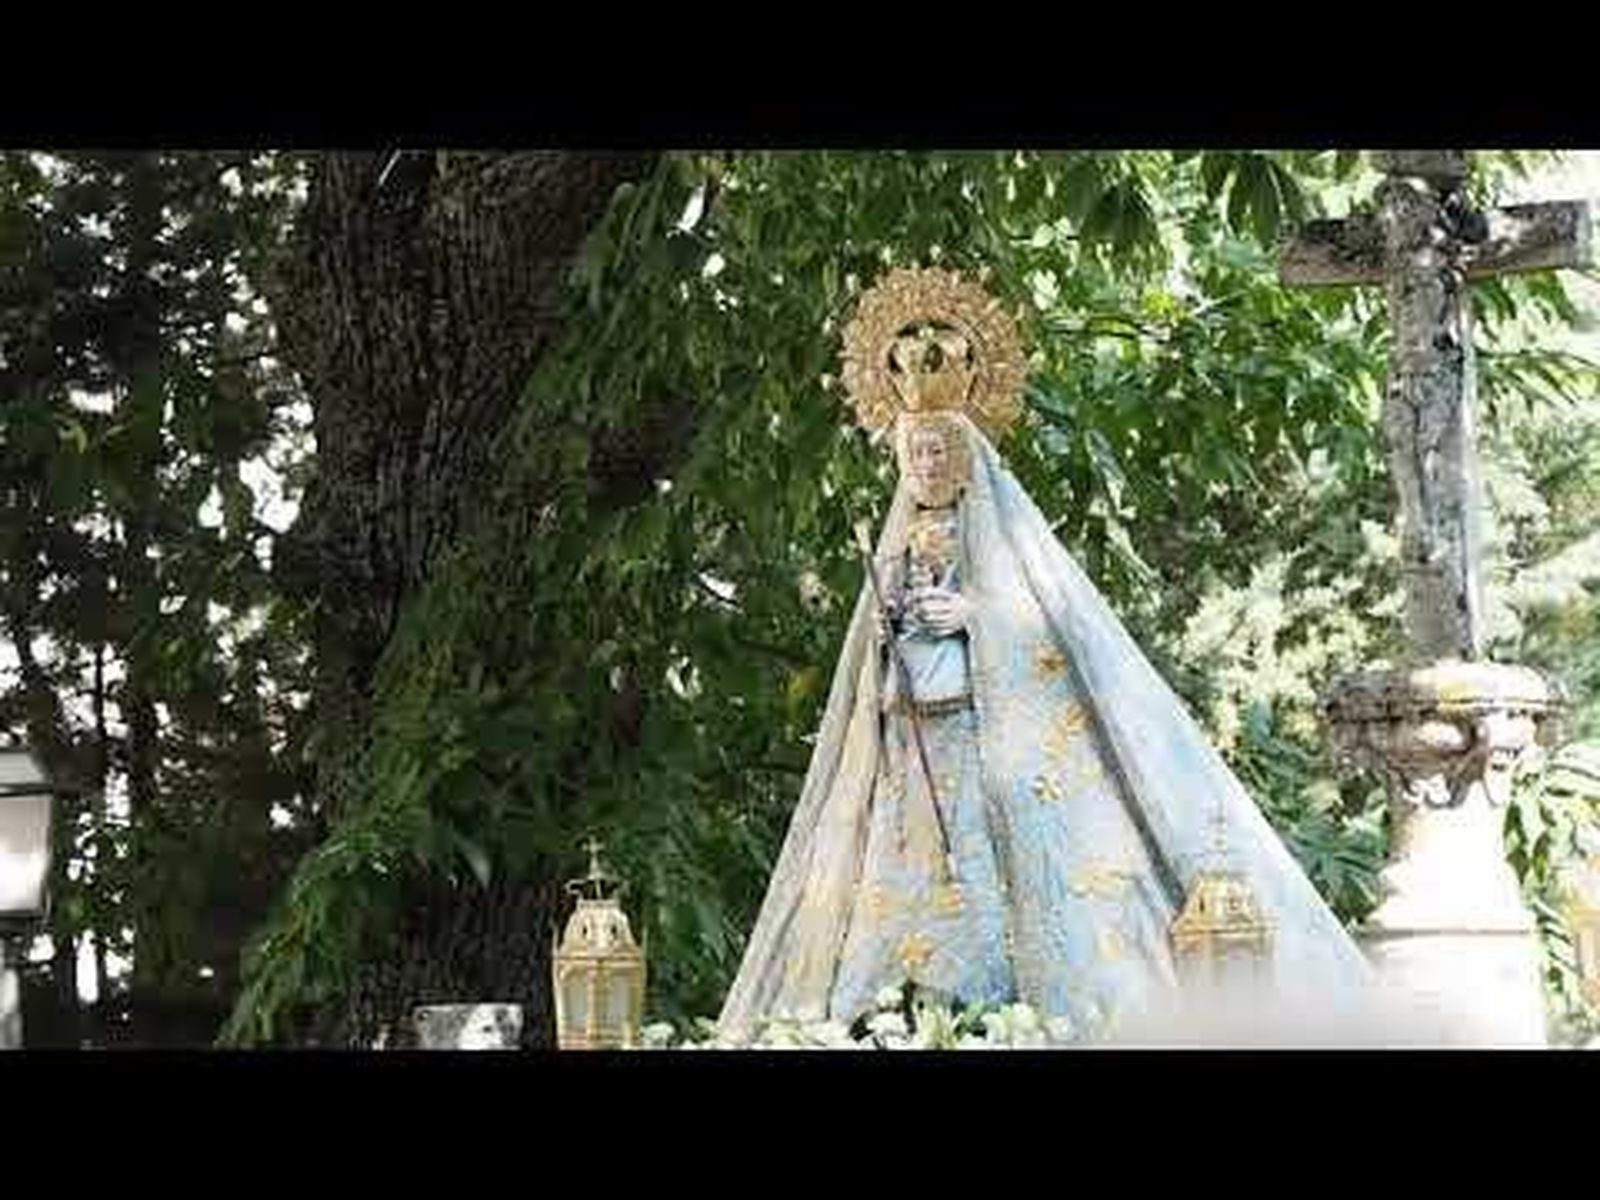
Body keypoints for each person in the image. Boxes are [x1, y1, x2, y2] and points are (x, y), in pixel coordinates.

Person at [716, 268, 1373, 1044]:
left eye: (938, 451)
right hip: (907, 751)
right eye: (913, 453)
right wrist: (890, 626)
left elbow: (1050, 637)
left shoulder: (1004, 538)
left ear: (966, 455)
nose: (924, 466)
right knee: (899, 888)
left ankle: (995, 1014)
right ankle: (889, 1014)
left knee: (984, 883)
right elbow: (871, 657)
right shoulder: (896, 544)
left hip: (978, 740)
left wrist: (974, 616)